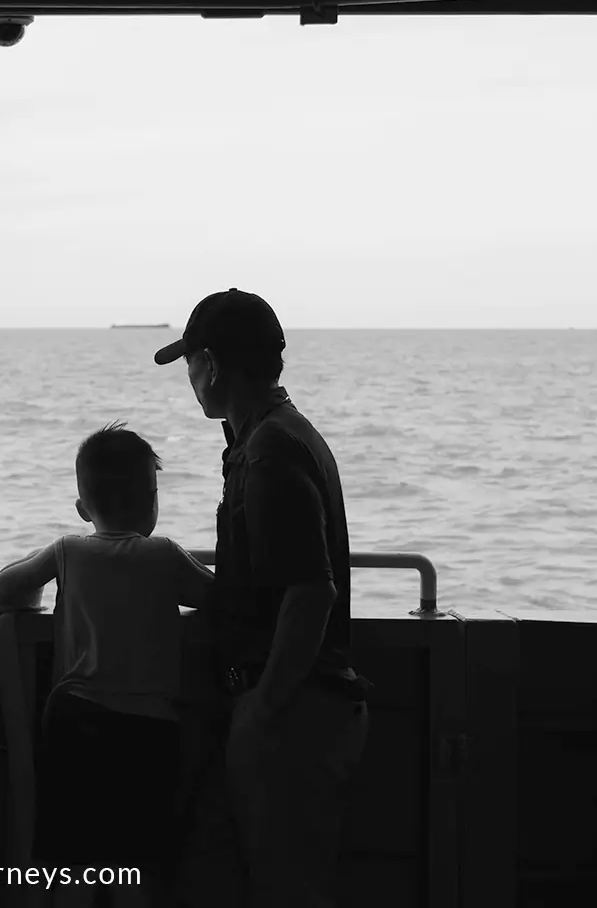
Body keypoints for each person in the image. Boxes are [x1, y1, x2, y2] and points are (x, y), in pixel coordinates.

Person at [156, 289, 370, 908]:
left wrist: (263, 707)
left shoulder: (271, 451)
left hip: (294, 715)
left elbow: (310, 591)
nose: (190, 380)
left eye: (191, 364)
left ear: (214, 366)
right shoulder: (272, 436)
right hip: (295, 708)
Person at [0, 422, 214, 908]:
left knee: (73, 856)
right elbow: (217, 597)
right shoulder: (164, 554)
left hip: (76, 721)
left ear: (81, 507)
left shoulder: (68, 550)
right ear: (152, 501)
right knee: (140, 861)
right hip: (149, 729)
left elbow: (7, 586)